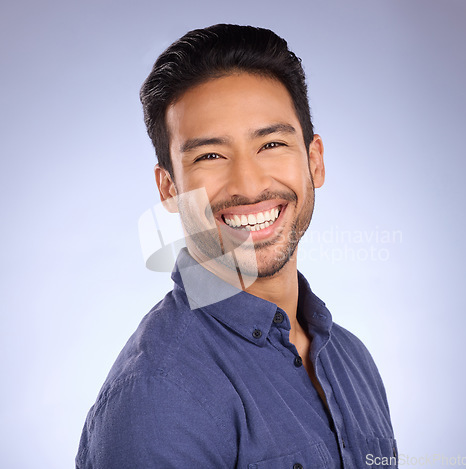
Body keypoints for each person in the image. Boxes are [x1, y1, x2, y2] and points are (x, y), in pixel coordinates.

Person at [76, 24, 398, 468]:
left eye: (272, 143)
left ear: (315, 161)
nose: (249, 185)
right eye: (210, 156)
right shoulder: (159, 394)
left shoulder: (351, 359)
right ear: (170, 188)